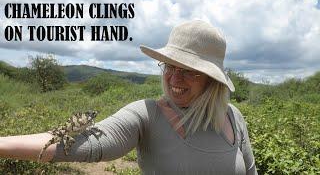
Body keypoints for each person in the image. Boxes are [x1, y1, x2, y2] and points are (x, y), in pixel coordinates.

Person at [0, 20, 257, 174]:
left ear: (211, 79)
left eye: (189, 71)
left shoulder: (234, 118)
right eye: (170, 66)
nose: (175, 78)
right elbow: (91, 143)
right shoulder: (147, 114)